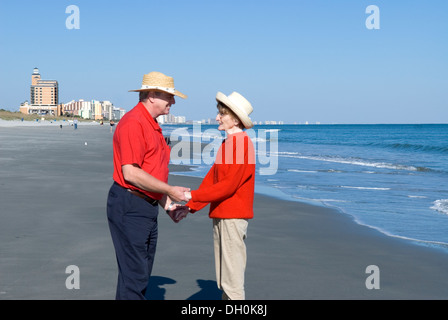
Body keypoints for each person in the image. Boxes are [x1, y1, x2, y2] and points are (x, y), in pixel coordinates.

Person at [107, 71, 190, 300]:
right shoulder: (134, 122)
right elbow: (131, 173)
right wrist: (171, 191)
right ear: (152, 95)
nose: (172, 102)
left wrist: (167, 204)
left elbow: (152, 173)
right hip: (130, 204)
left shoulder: (151, 124)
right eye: (169, 97)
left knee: (137, 275)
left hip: (144, 205)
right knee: (135, 277)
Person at [184, 91, 256, 300]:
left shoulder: (241, 144)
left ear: (235, 119)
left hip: (232, 216)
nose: (217, 117)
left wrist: (192, 196)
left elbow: (228, 186)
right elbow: (213, 178)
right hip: (222, 214)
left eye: (221, 114)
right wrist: (190, 205)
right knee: (225, 278)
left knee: (232, 282)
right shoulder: (229, 143)